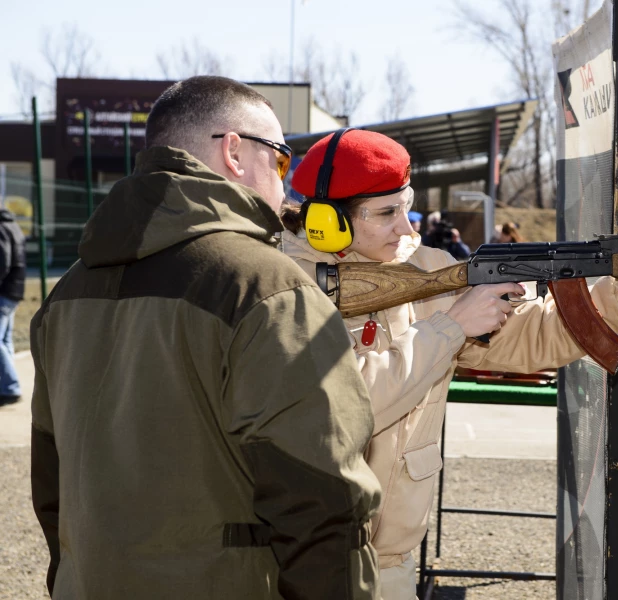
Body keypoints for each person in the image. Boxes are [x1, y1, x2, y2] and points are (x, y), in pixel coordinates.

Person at [30, 77, 381, 599]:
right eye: (282, 159)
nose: (286, 184)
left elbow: (51, 483)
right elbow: (322, 499)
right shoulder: (268, 287)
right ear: (235, 151)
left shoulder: (68, 291)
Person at [280, 129, 618, 600]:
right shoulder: (279, 282)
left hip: (391, 562)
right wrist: (453, 325)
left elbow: (531, 339)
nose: (406, 228)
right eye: (387, 213)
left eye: (405, 205)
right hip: (299, 562)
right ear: (327, 221)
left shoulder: (425, 266)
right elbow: (343, 404)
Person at [0, 205, 25, 405]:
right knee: (5, 340)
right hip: (14, 291)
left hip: (4, 291)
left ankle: (10, 387)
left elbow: (3, 262)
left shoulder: (1, 227)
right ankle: (7, 385)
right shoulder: (13, 225)